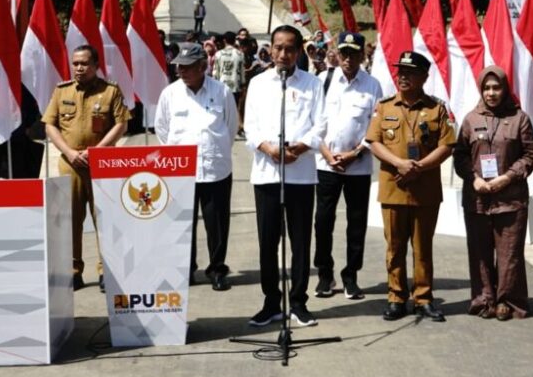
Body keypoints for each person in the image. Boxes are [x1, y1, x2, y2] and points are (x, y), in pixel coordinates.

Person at [244, 25, 326, 327]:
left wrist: (302, 147)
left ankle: (300, 301)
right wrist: (268, 148)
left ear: (298, 50)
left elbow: (321, 124)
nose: (283, 54)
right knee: (268, 242)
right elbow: (249, 126)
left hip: (301, 175)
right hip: (267, 174)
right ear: (270, 48)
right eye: (278, 47)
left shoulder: (313, 84)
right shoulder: (258, 83)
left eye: (290, 48)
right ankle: (271, 302)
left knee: (300, 241)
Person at [366, 51, 456, 322]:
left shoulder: (436, 108)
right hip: (394, 187)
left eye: (410, 72)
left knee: (422, 247)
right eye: (400, 72)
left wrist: (419, 167)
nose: (402, 76)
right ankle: (396, 297)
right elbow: (374, 142)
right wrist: (400, 164)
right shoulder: (385, 106)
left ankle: (424, 298)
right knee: (394, 247)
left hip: (425, 189)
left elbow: (447, 145)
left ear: (424, 77)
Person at [43, 45, 131, 292]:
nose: (79, 68)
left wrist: (98, 150)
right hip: (70, 164)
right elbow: (50, 125)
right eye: (75, 63)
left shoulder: (110, 91)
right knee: (71, 220)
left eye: (84, 63)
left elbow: (121, 124)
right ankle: (73, 271)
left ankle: (106, 270)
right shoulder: (62, 91)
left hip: (102, 165)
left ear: (96, 65)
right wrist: (69, 152)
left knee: (104, 219)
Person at [453, 66, 533, 320]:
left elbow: (530, 155)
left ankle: (507, 300)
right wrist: (473, 178)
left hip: (509, 198)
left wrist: (508, 177)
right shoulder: (471, 119)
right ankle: (483, 299)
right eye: (487, 88)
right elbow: (461, 155)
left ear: (504, 89)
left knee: (509, 253)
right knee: (479, 251)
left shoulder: (519, 118)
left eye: (496, 87)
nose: (491, 93)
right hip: (478, 198)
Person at [154, 43, 238, 291]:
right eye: (179, 66)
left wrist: (215, 149)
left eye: (188, 66)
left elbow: (230, 128)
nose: (181, 71)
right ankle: (185, 269)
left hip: (215, 169)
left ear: (203, 66)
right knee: (181, 224)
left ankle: (217, 268)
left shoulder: (221, 91)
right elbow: (162, 130)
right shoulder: (170, 94)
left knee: (217, 224)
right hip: (180, 171)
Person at [313, 32, 383, 300]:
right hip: (326, 164)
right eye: (344, 53)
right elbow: (314, 124)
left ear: (362, 55)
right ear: (337, 54)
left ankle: (351, 275)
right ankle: (325, 274)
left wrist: (355, 153)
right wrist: (329, 155)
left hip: (358, 166)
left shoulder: (372, 85)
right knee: (322, 222)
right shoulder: (324, 80)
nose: (348, 59)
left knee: (356, 223)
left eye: (354, 54)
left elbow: (375, 126)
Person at [213, 31, 245, 113]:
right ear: (234, 41)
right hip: (235, 87)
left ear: (224, 41)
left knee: (221, 110)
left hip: (221, 86)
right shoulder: (240, 54)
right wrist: (243, 85)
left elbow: (215, 72)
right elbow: (242, 72)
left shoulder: (218, 54)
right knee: (233, 110)